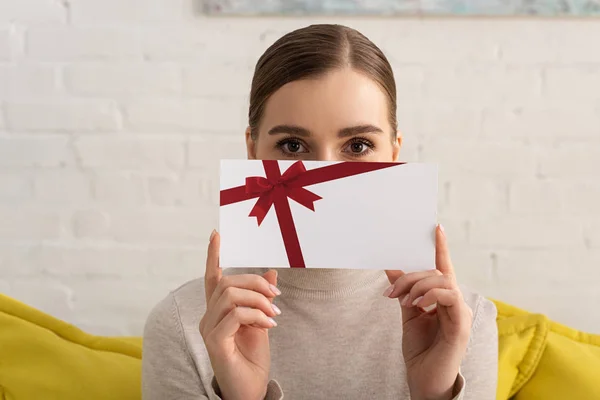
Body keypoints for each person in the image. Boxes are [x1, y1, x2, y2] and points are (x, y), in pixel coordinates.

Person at [141, 24, 498, 400]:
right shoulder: (184, 324)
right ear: (252, 150)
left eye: (358, 145)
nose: (324, 175)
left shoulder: (462, 325)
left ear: (394, 154)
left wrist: (435, 392)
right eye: (292, 145)